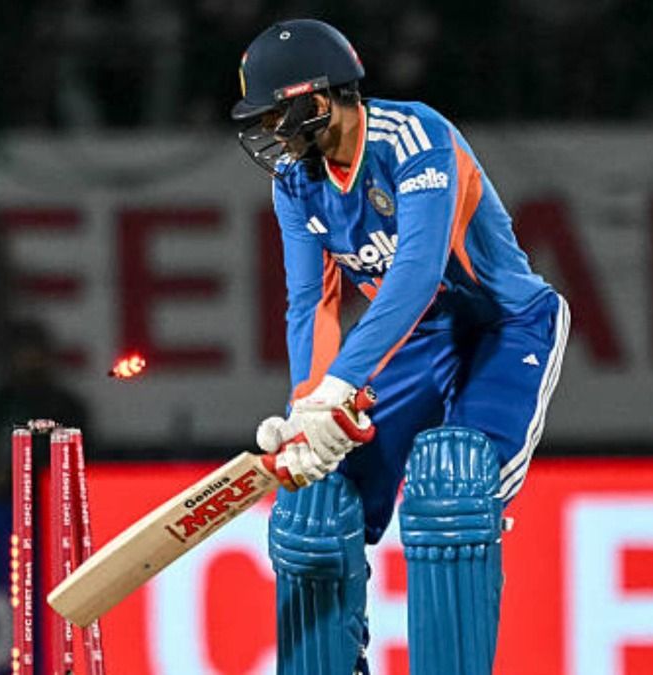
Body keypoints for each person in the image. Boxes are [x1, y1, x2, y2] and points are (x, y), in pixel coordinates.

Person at [232, 19, 569, 675]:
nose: (272, 132)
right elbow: (312, 302)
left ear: (319, 98)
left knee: (454, 487)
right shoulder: (295, 182)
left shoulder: (413, 136)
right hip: (417, 340)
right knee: (315, 501)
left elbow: (416, 274)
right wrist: (310, 406)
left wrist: (341, 386)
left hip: (505, 326)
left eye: (277, 113)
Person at [0, 318, 89, 500]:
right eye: (23, 357)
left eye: (36, 357)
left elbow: (83, 467)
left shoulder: (67, 410)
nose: (30, 364)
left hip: (52, 508)